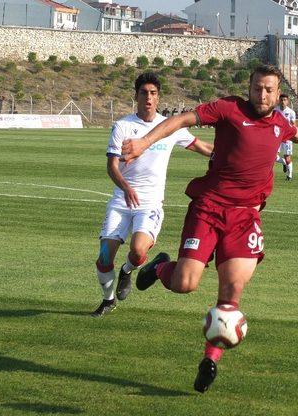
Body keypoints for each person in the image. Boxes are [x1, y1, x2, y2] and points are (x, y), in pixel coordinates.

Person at [121, 64, 298, 392]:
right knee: (184, 284)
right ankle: (160, 268)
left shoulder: (280, 122)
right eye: (257, 88)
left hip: (245, 218)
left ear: (277, 92)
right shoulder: (228, 109)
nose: (262, 95)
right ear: (249, 87)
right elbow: (181, 120)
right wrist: (142, 142)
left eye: (268, 90)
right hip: (208, 208)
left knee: (232, 290)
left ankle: (210, 359)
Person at [91, 72, 212, 317]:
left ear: (158, 97)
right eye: (144, 93)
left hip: (150, 203)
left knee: (137, 251)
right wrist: (125, 187)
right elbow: (111, 166)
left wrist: (241, 157)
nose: (148, 97)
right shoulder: (123, 126)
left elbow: (204, 148)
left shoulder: (170, 128)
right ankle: (108, 299)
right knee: (104, 257)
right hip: (120, 200)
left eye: (153, 93)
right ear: (136, 96)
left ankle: (127, 270)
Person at [274, 94, 296, 181]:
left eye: (285, 100)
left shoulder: (291, 112)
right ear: (279, 100)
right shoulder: (275, 110)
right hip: (276, 136)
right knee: (273, 156)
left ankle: (289, 175)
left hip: (287, 138)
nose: (283, 102)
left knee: (287, 157)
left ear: (287, 101)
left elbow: (293, 126)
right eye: (281, 100)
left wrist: (291, 136)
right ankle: (283, 162)